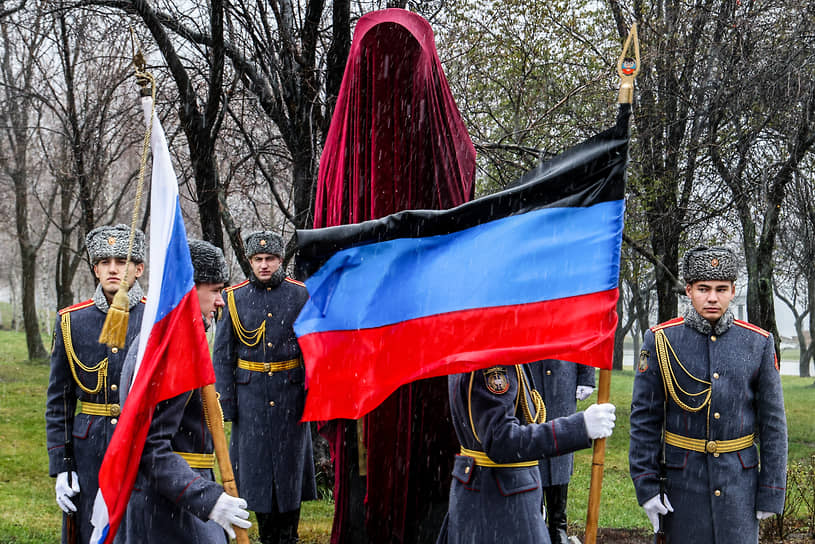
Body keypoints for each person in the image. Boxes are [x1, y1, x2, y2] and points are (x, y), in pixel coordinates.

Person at [629, 246, 788, 543]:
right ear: (688, 290)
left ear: (733, 290)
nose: (712, 297)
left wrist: (772, 490)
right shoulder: (662, 340)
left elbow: (773, 425)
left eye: (721, 289)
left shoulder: (758, 343)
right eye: (703, 288)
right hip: (682, 486)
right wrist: (646, 485)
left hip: (740, 485)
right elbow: (644, 420)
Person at [119, 239, 252, 542]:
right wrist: (208, 499)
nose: (221, 301)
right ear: (188, 290)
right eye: (215, 290)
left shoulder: (162, 340)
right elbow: (149, 446)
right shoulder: (173, 349)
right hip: (173, 508)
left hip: (169, 500)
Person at [45, 224, 147, 544]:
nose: (113, 269)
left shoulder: (155, 317)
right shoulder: (72, 321)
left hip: (142, 447)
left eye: (123, 261)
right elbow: (59, 400)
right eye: (105, 262)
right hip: (90, 450)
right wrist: (62, 465)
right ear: (95, 269)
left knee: (138, 527)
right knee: (90, 530)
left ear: (139, 268)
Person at [214, 231, 317, 544]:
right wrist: (227, 405)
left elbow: (313, 349)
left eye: (270, 259)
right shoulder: (234, 297)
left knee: (289, 475)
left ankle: (289, 534)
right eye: (258, 259)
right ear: (249, 261)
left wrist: (314, 398)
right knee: (256, 477)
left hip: (292, 400)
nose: (264, 265)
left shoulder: (301, 295)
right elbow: (222, 356)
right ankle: (267, 533)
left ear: (280, 260)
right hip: (251, 402)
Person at [437, 363, 616, 543]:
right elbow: (501, 440)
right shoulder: (494, 360)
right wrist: (579, 427)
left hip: (490, 493)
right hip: (502, 502)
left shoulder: (482, 351)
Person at [528, 359, 595, 544]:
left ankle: (558, 526)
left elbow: (583, 331)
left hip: (563, 376)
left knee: (561, 451)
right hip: (528, 374)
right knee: (531, 444)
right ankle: (535, 522)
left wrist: (586, 374)